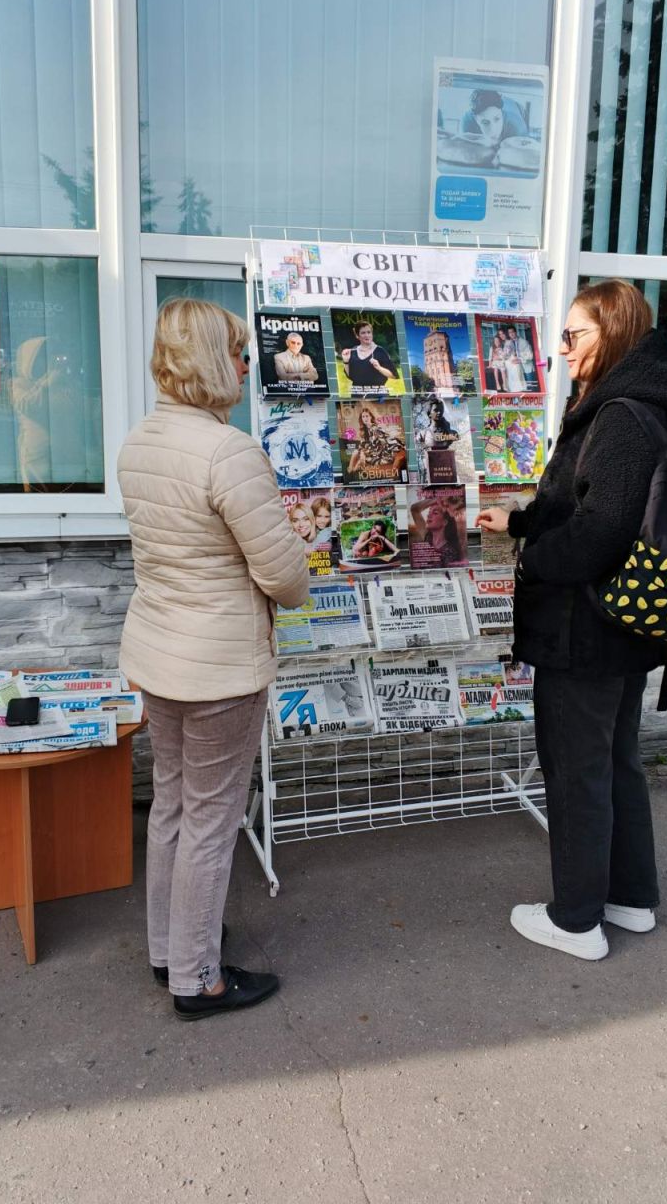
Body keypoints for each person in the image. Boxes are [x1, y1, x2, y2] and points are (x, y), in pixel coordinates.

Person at [475, 280, 667, 962]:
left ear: (614, 333)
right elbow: (586, 505)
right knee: (615, 763)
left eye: (574, 335)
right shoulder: (635, 406)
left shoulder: (620, 417)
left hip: (586, 629)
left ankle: (575, 921)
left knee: (578, 772)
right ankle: (630, 899)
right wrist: (521, 522)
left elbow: (599, 532)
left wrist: (533, 561)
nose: (563, 350)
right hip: (620, 627)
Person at [118, 298, 310, 1018]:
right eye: (236, 351)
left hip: (159, 652)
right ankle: (197, 979)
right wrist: (298, 557)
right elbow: (284, 579)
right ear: (208, 359)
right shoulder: (228, 451)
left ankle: (168, 948)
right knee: (211, 820)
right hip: (219, 666)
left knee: (172, 803)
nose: (246, 365)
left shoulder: (139, 441)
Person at [339, 321, 399, 390]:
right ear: (357, 336)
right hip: (358, 394)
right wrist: (346, 361)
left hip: (377, 394)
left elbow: (394, 376)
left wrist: (379, 368)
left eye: (369, 332)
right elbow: (350, 376)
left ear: (372, 334)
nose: (367, 335)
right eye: (363, 333)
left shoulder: (380, 351)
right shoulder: (352, 351)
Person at [409, 496, 464, 567]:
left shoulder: (450, 551)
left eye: (435, 513)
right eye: (429, 512)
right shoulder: (427, 537)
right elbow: (414, 509)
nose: (429, 515)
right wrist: (437, 499)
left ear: (445, 522)